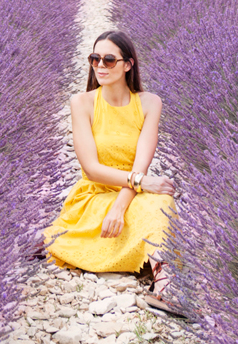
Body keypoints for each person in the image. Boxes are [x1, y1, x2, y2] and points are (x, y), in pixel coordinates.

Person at [44, 29, 178, 312]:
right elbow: (92, 170)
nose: (100, 66)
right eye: (95, 59)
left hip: (132, 192)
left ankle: (166, 289)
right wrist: (139, 183)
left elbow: (140, 166)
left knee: (161, 204)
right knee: (151, 207)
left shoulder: (150, 103)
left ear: (128, 64)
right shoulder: (82, 103)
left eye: (108, 60)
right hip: (95, 194)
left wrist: (121, 205)